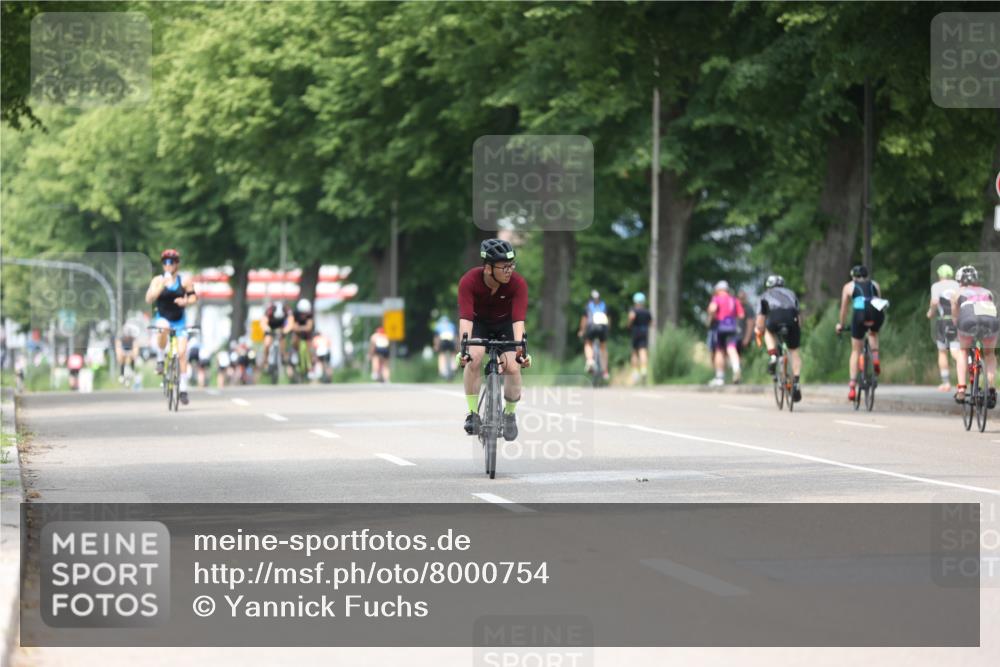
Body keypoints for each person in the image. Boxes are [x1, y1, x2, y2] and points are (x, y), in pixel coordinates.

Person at [456, 238, 532, 440]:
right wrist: (462, 350)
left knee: (513, 367)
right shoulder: (469, 281)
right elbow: (465, 319)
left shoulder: (518, 284)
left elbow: (518, 321)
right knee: (475, 356)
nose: (510, 270)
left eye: (512, 265)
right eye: (504, 266)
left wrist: (520, 353)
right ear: (488, 268)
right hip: (479, 324)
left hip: (505, 325)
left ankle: (509, 414)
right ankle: (472, 413)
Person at [145, 248, 197, 405]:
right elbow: (149, 299)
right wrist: (161, 286)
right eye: (165, 262)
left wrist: (186, 301)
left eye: (171, 262)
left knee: (182, 353)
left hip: (180, 321)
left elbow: (194, 297)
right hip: (163, 317)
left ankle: (183, 390)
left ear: (177, 264)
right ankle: (160, 359)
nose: (168, 265)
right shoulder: (157, 280)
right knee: (163, 328)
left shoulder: (185, 280)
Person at [835, 265, 885, 401]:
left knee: (856, 350)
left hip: (859, 315)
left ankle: (852, 386)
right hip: (875, 313)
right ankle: (875, 356)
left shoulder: (848, 287)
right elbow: (879, 301)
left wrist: (841, 324)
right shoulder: (875, 284)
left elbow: (844, 309)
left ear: (853, 276)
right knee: (873, 333)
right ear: (866, 275)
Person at [951, 265, 999, 407]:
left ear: (959, 281)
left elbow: (955, 318)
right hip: (990, 320)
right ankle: (990, 390)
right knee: (989, 355)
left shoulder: (957, 293)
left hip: (968, 320)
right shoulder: (988, 292)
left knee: (963, 350)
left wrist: (956, 328)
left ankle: (961, 389)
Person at [755, 275, 803, 402]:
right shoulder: (791, 293)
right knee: (794, 352)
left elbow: (760, 321)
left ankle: (773, 356)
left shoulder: (765, 295)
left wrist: (759, 330)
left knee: (767, 332)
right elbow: (799, 316)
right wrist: (797, 330)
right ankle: (796, 383)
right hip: (791, 318)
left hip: (774, 318)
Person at [927, 264, 961, 392]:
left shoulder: (936, 286)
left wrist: (930, 312)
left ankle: (946, 383)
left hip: (944, 321)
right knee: (956, 350)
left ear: (940, 275)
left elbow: (935, 302)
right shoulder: (957, 285)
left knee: (943, 352)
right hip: (958, 321)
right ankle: (967, 368)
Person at [706, 280, 744, 386]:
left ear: (718, 290)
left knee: (719, 351)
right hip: (732, 327)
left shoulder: (717, 298)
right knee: (731, 349)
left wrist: (711, 318)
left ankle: (720, 377)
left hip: (720, 328)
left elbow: (712, 309)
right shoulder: (734, 300)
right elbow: (741, 315)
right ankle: (736, 370)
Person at [578, 290, 610, 381]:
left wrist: (581, 330)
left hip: (591, 327)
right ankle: (605, 371)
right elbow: (608, 319)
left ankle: (590, 360)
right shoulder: (604, 306)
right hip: (603, 328)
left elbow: (584, 320)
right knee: (603, 348)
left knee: (588, 343)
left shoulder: (588, 306)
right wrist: (607, 330)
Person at [627, 292, 652, 382]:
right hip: (644, 332)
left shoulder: (633, 310)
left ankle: (635, 372)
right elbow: (651, 323)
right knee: (643, 352)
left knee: (634, 352)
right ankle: (644, 370)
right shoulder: (647, 311)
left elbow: (631, 318)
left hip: (635, 332)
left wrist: (629, 325)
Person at [287, 298, 314, 378]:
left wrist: (300, 328)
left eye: (305, 313)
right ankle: (294, 356)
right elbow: (293, 326)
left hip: (307, 335)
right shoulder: (294, 314)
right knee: (294, 339)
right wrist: (301, 328)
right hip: (297, 334)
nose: (303, 315)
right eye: (302, 313)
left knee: (310, 346)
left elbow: (309, 327)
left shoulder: (310, 315)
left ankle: (311, 363)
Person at [262, 301, 289, 374]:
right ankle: (265, 361)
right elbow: (263, 323)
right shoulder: (269, 311)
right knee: (267, 343)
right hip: (270, 327)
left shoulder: (286, 311)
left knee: (282, 342)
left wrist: (285, 331)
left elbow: (290, 323)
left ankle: (283, 357)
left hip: (281, 327)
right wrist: (267, 329)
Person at [433, 314, 458, 380]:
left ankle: (442, 370)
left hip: (443, 341)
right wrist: (456, 346)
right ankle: (454, 367)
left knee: (441, 354)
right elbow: (455, 336)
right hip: (451, 341)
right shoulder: (451, 325)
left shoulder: (438, 325)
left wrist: (436, 346)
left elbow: (436, 337)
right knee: (453, 353)